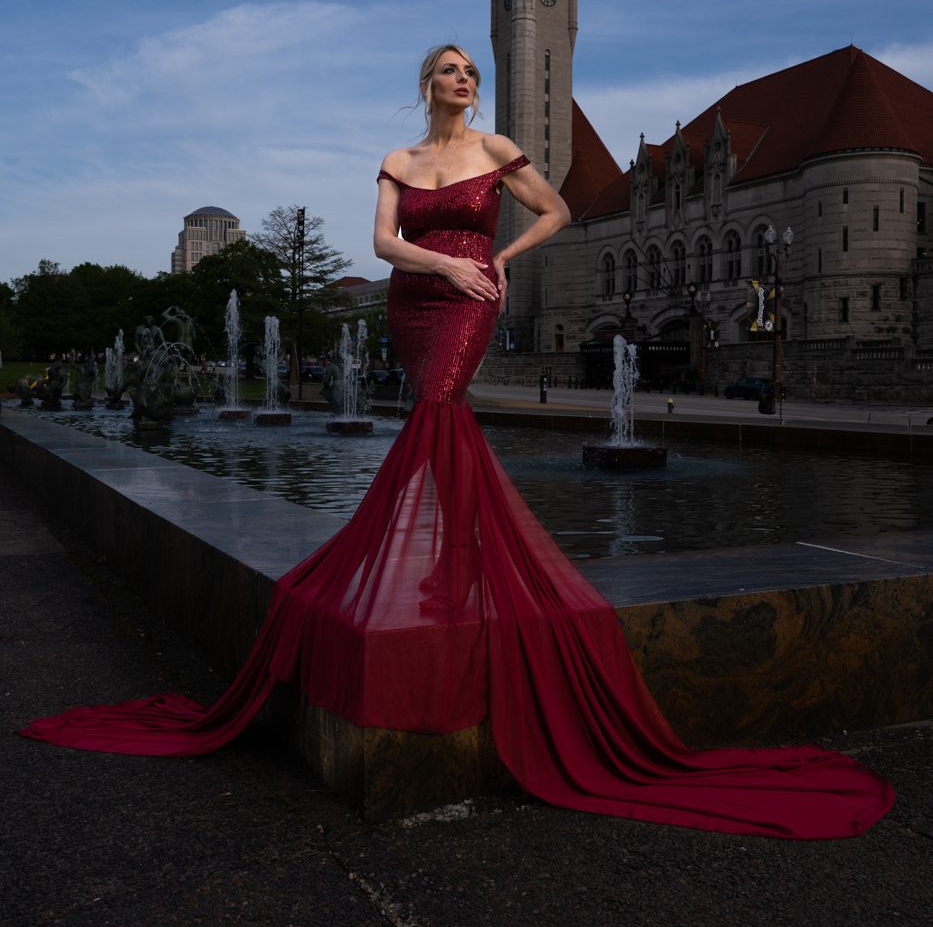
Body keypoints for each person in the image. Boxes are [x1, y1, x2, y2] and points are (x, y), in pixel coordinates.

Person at [19, 45, 894, 840]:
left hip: (471, 303)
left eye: (472, 69)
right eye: (450, 70)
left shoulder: (495, 147)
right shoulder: (400, 160)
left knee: (439, 407)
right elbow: (380, 241)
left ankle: (443, 569)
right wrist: (438, 263)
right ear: (426, 86)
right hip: (414, 299)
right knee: (430, 413)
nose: (465, 79)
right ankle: (444, 571)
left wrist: (502, 263)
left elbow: (549, 208)